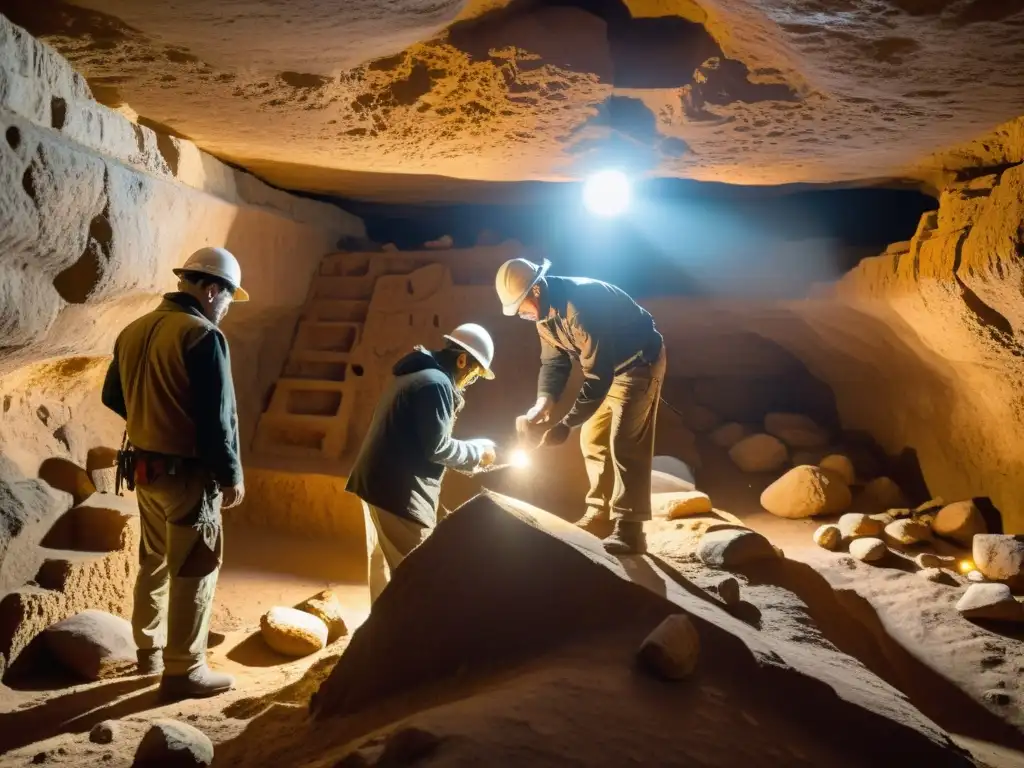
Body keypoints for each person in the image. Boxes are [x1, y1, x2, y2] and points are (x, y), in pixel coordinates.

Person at [101, 246, 247, 698]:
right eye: (225, 298)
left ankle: (149, 651)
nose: (225, 308)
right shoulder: (202, 336)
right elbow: (215, 420)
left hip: (145, 470)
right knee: (196, 566)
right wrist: (230, 476)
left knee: (155, 560)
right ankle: (185, 669)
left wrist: (151, 414)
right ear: (210, 289)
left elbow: (112, 395)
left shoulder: (134, 330)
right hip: (187, 474)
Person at [496, 258, 666, 555]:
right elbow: (554, 361)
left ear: (536, 290)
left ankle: (630, 530)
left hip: (638, 365)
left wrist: (565, 425)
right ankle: (599, 513)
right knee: (593, 439)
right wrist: (543, 403)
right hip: (610, 369)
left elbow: (598, 377)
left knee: (625, 442)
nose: (521, 315)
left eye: (521, 307)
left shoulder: (580, 307)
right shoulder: (544, 317)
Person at [346, 324, 498, 603]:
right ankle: (406, 642)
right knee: (417, 576)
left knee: (380, 563)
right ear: (462, 360)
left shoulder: (416, 374)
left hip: (375, 483)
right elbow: (437, 446)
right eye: (473, 375)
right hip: (395, 492)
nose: (469, 382)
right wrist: (477, 453)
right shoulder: (436, 383)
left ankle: (379, 637)